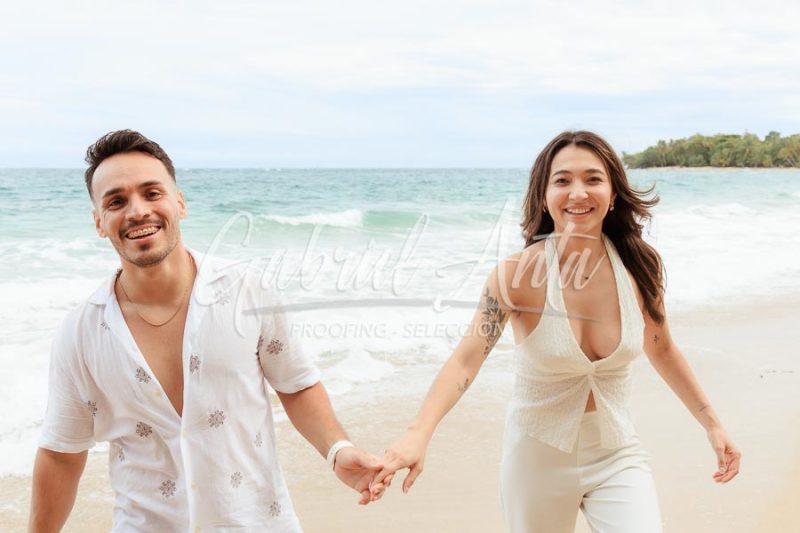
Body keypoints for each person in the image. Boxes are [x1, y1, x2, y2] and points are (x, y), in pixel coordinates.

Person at [373, 130, 742, 532]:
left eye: (593, 179)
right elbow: (466, 360)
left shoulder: (640, 267)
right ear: (544, 196)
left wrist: (712, 424)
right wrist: (417, 435)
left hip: (617, 453)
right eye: (562, 180)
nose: (578, 193)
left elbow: (663, 349)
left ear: (614, 192)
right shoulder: (516, 276)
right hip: (536, 460)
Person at [29, 130, 386, 532]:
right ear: (99, 222)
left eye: (152, 193)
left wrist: (336, 449)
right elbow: (62, 451)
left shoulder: (246, 291)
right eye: (116, 201)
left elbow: (295, 384)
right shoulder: (81, 332)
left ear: (179, 203)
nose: (137, 211)